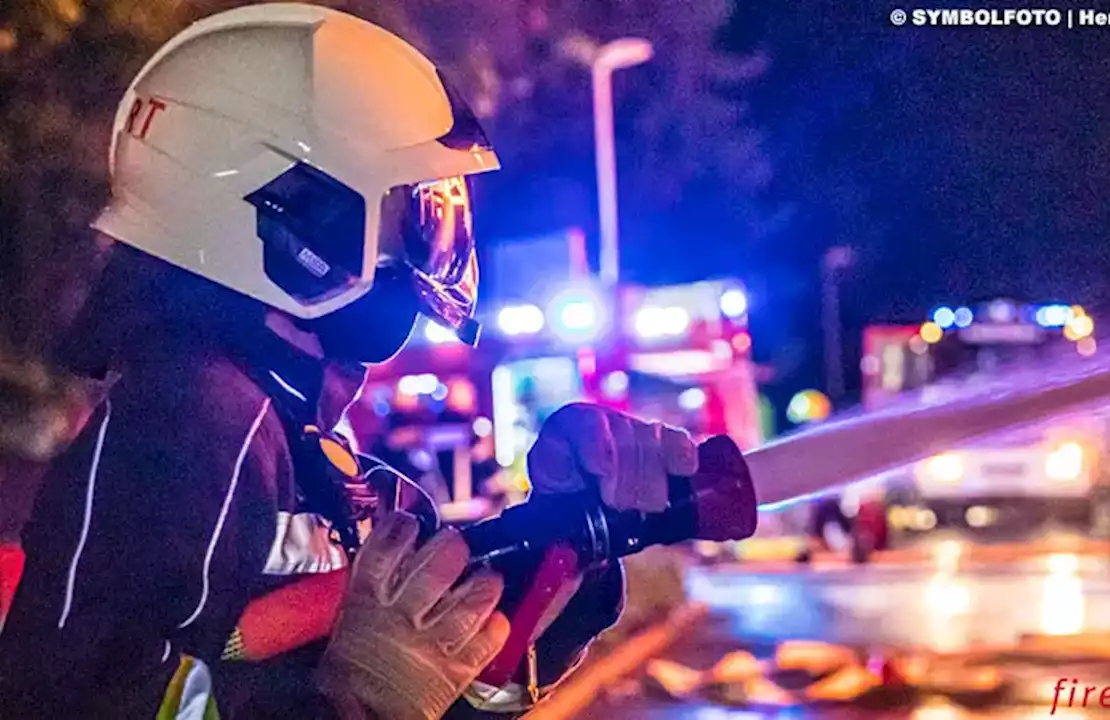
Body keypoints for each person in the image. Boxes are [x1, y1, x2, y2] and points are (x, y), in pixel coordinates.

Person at [0, 5, 698, 718]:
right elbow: (77, 700)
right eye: (412, 207)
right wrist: (354, 702)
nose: (431, 243)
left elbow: (471, 694)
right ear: (298, 216)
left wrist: (564, 538)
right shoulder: (190, 427)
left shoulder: (321, 467)